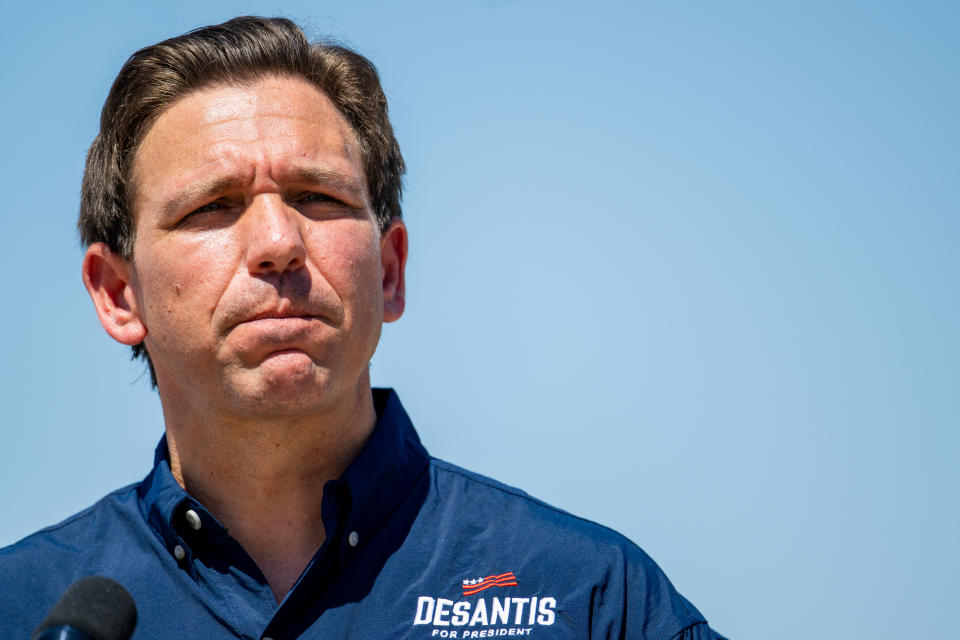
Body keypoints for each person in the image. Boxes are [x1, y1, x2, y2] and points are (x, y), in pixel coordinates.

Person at [0, 16, 724, 639]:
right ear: (119, 293)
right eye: (214, 207)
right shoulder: (22, 609)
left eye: (318, 196)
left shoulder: (592, 597)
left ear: (389, 271)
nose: (279, 242)